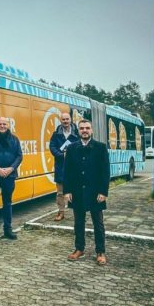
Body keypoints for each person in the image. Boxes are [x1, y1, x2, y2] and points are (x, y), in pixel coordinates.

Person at [64, 119, 110, 266]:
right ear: (78, 130)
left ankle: (100, 252)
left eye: (87, 128)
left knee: (98, 223)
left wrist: (103, 191)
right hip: (76, 192)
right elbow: (67, 171)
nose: (85, 130)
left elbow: (105, 172)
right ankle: (79, 249)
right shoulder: (71, 148)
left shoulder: (100, 147)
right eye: (82, 128)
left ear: (92, 130)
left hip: (95, 192)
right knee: (78, 222)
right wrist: (67, 191)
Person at [49, 112, 79, 221]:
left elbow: (82, 147)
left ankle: (78, 212)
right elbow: (52, 147)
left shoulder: (77, 133)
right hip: (60, 167)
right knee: (60, 192)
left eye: (67, 119)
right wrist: (61, 155)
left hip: (75, 167)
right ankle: (61, 212)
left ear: (70, 120)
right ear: (60, 121)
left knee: (76, 190)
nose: (65, 121)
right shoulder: (56, 134)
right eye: (63, 119)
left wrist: (71, 156)